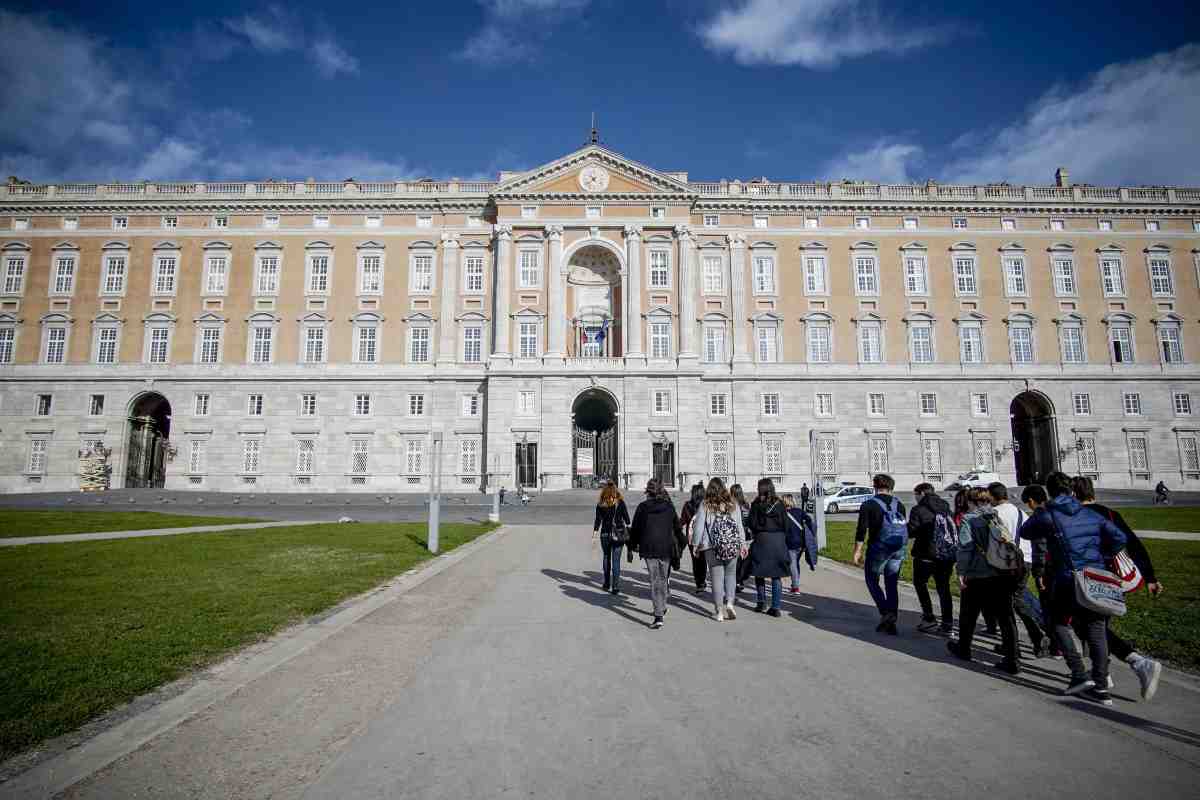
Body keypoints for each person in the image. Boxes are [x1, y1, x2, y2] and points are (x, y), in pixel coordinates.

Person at [1018, 471, 1126, 704]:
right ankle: (1100, 686)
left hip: (1067, 578)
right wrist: (1101, 555)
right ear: (1071, 490)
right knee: (1096, 630)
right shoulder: (1090, 514)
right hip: (1094, 577)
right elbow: (1119, 538)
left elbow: (1025, 532)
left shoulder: (1048, 515)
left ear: (1049, 491)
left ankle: (1078, 673)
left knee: (1055, 622)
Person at [1072, 475, 1164, 701]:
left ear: (1073, 494)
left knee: (1090, 627)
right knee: (1093, 626)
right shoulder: (1111, 514)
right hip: (1114, 580)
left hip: (1093, 578)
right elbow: (1133, 545)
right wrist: (1150, 577)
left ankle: (1138, 663)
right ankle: (1102, 671)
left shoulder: (1078, 516)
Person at [946, 488, 1021, 674]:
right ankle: (1012, 658)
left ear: (971, 502)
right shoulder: (996, 516)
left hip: (978, 573)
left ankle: (964, 649)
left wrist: (961, 572)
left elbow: (965, 548)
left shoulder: (969, 519)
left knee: (968, 614)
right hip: (1001, 572)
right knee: (1006, 617)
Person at [989, 482, 1049, 657]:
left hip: (1007, 564)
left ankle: (1026, 640)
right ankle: (1037, 637)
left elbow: (993, 541)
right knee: (1017, 600)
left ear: (993, 497)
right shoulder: (1020, 512)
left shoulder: (995, 514)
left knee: (1008, 605)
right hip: (1026, 560)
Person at [853, 473, 907, 634]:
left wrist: (857, 551)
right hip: (898, 548)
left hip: (879, 548)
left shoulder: (869, 505)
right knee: (891, 584)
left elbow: (861, 530)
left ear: (875, 486)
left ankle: (886, 613)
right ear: (891, 487)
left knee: (872, 580)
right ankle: (891, 619)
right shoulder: (900, 504)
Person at [689, 477, 749, 621]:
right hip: (732, 545)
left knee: (716, 579)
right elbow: (739, 526)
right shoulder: (733, 503)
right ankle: (730, 603)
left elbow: (698, 527)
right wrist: (743, 544)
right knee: (731, 575)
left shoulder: (705, 504)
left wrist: (696, 545)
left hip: (711, 546)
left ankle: (719, 612)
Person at [628, 478, 684, 629]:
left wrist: (632, 545)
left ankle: (659, 614)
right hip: (665, 548)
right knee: (663, 578)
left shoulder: (642, 507)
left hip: (649, 548)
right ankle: (662, 607)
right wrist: (682, 544)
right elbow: (677, 528)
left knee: (655, 581)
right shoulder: (669, 507)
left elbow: (635, 529)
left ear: (648, 491)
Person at [907, 483, 955, 634]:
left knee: (920, 583)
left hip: (925, 553)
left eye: (916, 494)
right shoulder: (945, 506)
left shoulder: (918, 509)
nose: (915, 497)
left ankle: (928, 617)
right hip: (945, 555)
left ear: (921, 493)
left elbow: (911, 531)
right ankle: (947, 623)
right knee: (944, 588)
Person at [1021, 484, 1061, 659]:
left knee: (1050, 609)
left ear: (1031, 501)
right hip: (1066, 566)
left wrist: (1039, 574)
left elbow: (1039, 548)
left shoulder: (1039, 518)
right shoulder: (1058, 512)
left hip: (1048, 569)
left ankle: (1057, 646)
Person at [749, 478, 790, 617]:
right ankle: (776, 607)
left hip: (761, 540)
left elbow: (751, 523)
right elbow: (786, 524)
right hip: (778, 540)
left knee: (759, 573)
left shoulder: (756, 504)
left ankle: (761, 603)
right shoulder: (780, 504)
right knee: (776, 575)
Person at [592, 481, 631, 595]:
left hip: (604, 533)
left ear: (604, 492)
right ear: (615, 490)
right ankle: (615, 587)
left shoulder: (601, 504)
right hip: (618, 534)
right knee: (616, 561)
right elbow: (628, 520)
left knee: (606, 557)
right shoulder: (621, 503)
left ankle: (606, 583)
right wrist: (629, 532)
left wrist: (594, 536)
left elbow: (597, 521)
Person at [782, 494, 816, 593]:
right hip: (801, 543)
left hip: (790, 542)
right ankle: (795, 583)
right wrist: (810, 533)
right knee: (795, 563)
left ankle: (795, 587)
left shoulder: (783, 514)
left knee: (792, 564)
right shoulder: (799, 511)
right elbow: (809, 521)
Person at [680, 483, 707, 595]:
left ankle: (698, 583)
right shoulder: (706, 505)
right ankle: (702, 581)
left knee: (695, 561)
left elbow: (682, 521)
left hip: (691, 537)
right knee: (703, 560)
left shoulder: (687, 505)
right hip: (704, 537)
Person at [730, 483, 753, 591]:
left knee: (736, 560)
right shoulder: (746, 505)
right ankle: (740, 580)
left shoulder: (730, 505)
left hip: (734, 535)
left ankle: (736, 580)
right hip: (746, 535)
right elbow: (750, 519)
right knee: (743, 559)